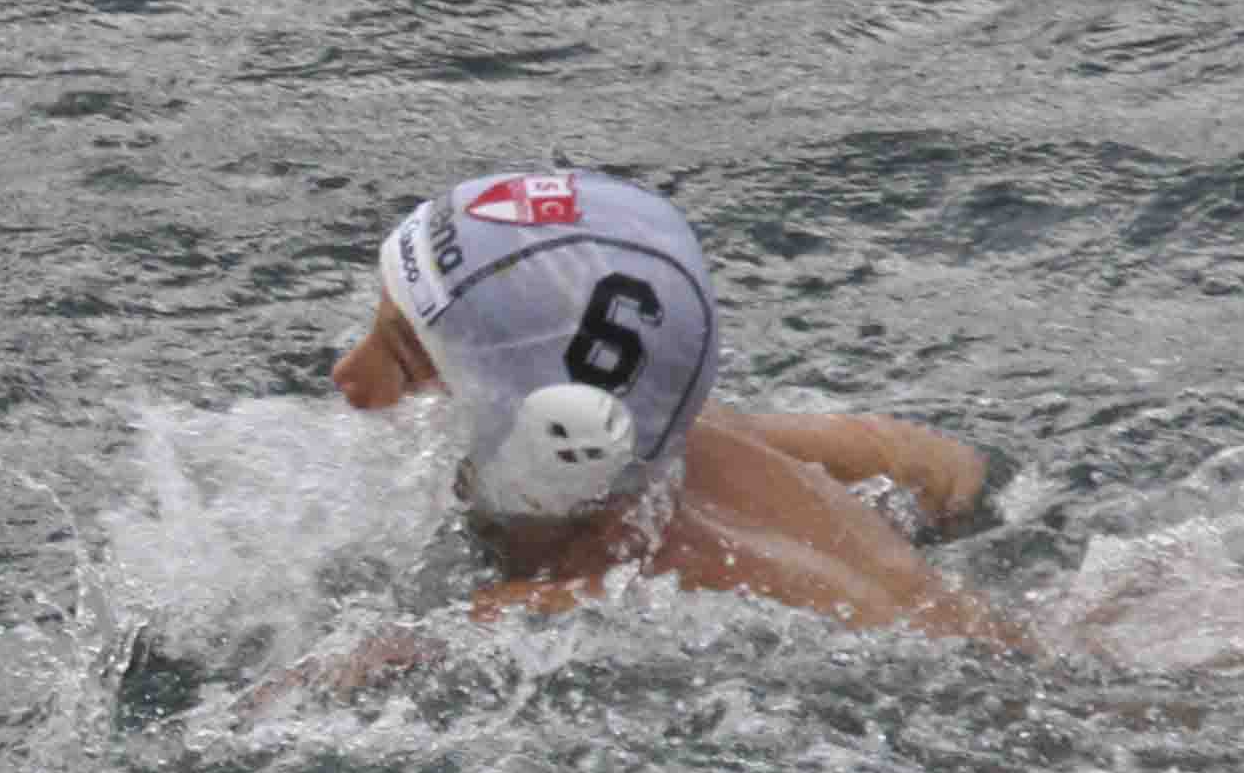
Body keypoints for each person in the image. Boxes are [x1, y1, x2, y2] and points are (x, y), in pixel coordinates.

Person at [324, 167, 1021, 655]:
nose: (347, 379)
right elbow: (935, 466)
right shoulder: (690, 437)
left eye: (408, 363)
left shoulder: (579, 607)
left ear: (560, 435)